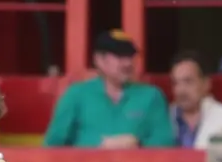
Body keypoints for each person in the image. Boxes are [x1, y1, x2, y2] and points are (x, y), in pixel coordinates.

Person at [42, 30, 174, 148]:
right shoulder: (75, 95)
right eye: (120, 56)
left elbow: (165, 142)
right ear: (99, 60)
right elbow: (53, 145)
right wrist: (99, 145)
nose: (128, 63)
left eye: (130, 56)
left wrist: (137, 144)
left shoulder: (152, 96)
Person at [168, 50, 222, 149]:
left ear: (206, 84)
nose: (180, 90)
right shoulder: (165, 117)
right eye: (175, 83)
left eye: (188, 81)